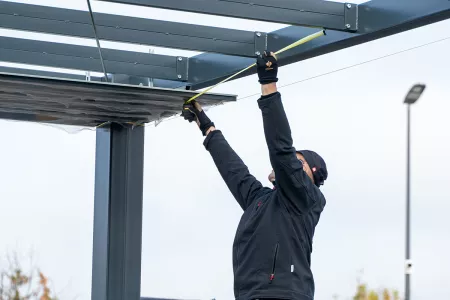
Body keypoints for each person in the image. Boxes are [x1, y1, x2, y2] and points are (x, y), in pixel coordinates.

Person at [182, 52, 328, 300]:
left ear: (308, 178)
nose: (292, 162)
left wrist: (268, 84)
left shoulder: (305, 199)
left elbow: (281, 150)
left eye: (298, 161)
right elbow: (234, 171)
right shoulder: (260, 201)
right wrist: (205, 125)